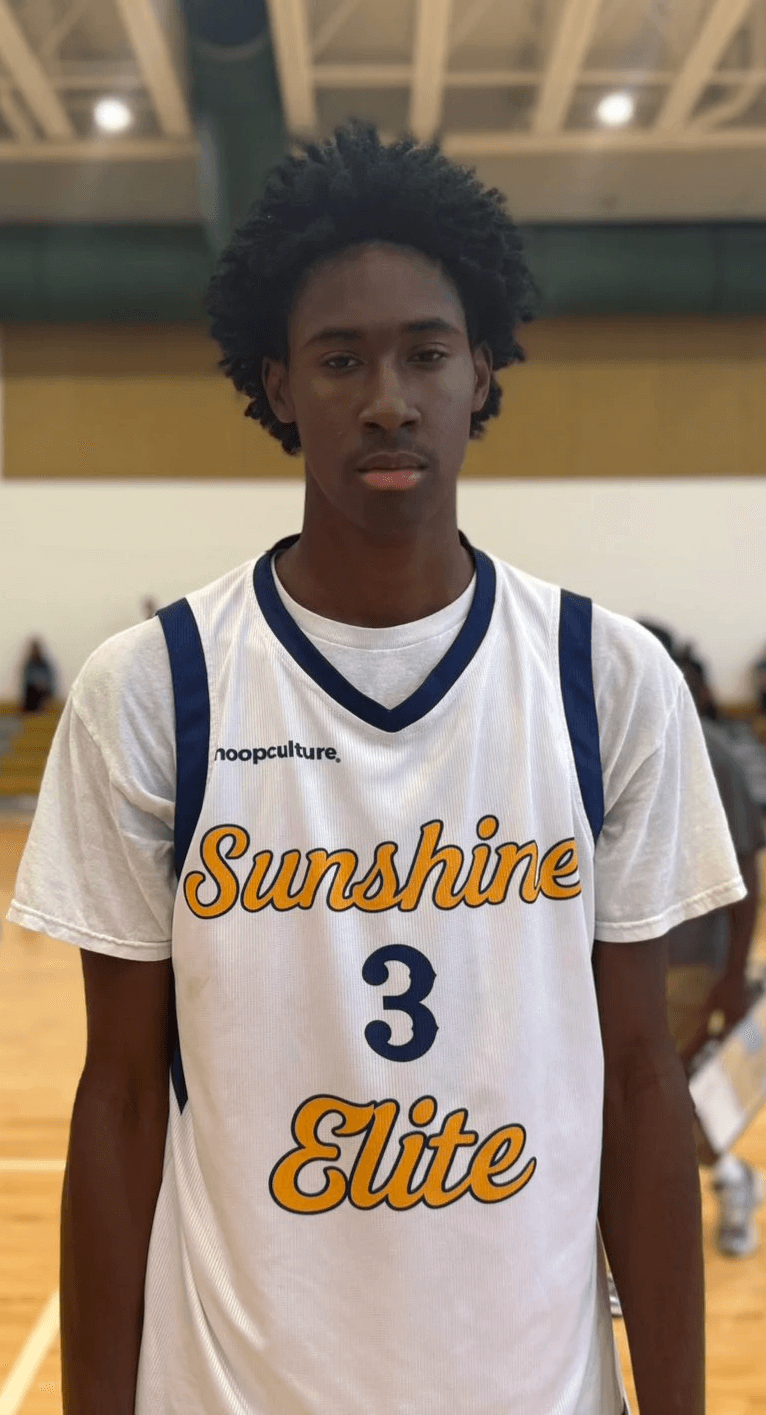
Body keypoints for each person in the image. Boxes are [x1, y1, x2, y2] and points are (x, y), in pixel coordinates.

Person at [6, 123, 747, 1415]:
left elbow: (639, 1083)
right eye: (341, 358)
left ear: (483, 368)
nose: (389, 398)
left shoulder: (607, 681)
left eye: (426, 351)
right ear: (278, 383)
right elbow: (116, 1101)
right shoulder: (153, 692)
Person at [600, 622, 765, 1317]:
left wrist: (732, 977)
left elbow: (745, 874)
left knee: (647, 1099)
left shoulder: (714, 754)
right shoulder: (613, 739)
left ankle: (724, 1189)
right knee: (636, 1098)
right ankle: (731, 1179)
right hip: (624, 957)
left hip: (689, 960)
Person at [20, 638, 55, 713]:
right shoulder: (29, 664)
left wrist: (41, 683)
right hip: (32, 690)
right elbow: (27, 679)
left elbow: (49, 679)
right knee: (31, 691)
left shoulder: (45, 664)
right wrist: (37, 683)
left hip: (43, 690)